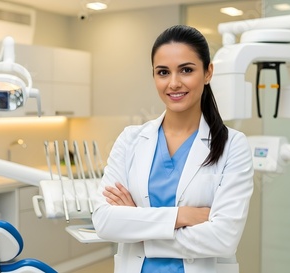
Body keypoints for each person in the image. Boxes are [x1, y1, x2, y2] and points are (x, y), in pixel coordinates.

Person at [91, 24, 254, 273]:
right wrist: (183, 216)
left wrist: (137, 224)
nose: (174, 83)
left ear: (208, 73)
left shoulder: (234, 145)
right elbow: (104, 222)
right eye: (163, 72)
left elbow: (223, 238)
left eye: (186, 70)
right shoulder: (131, 139)